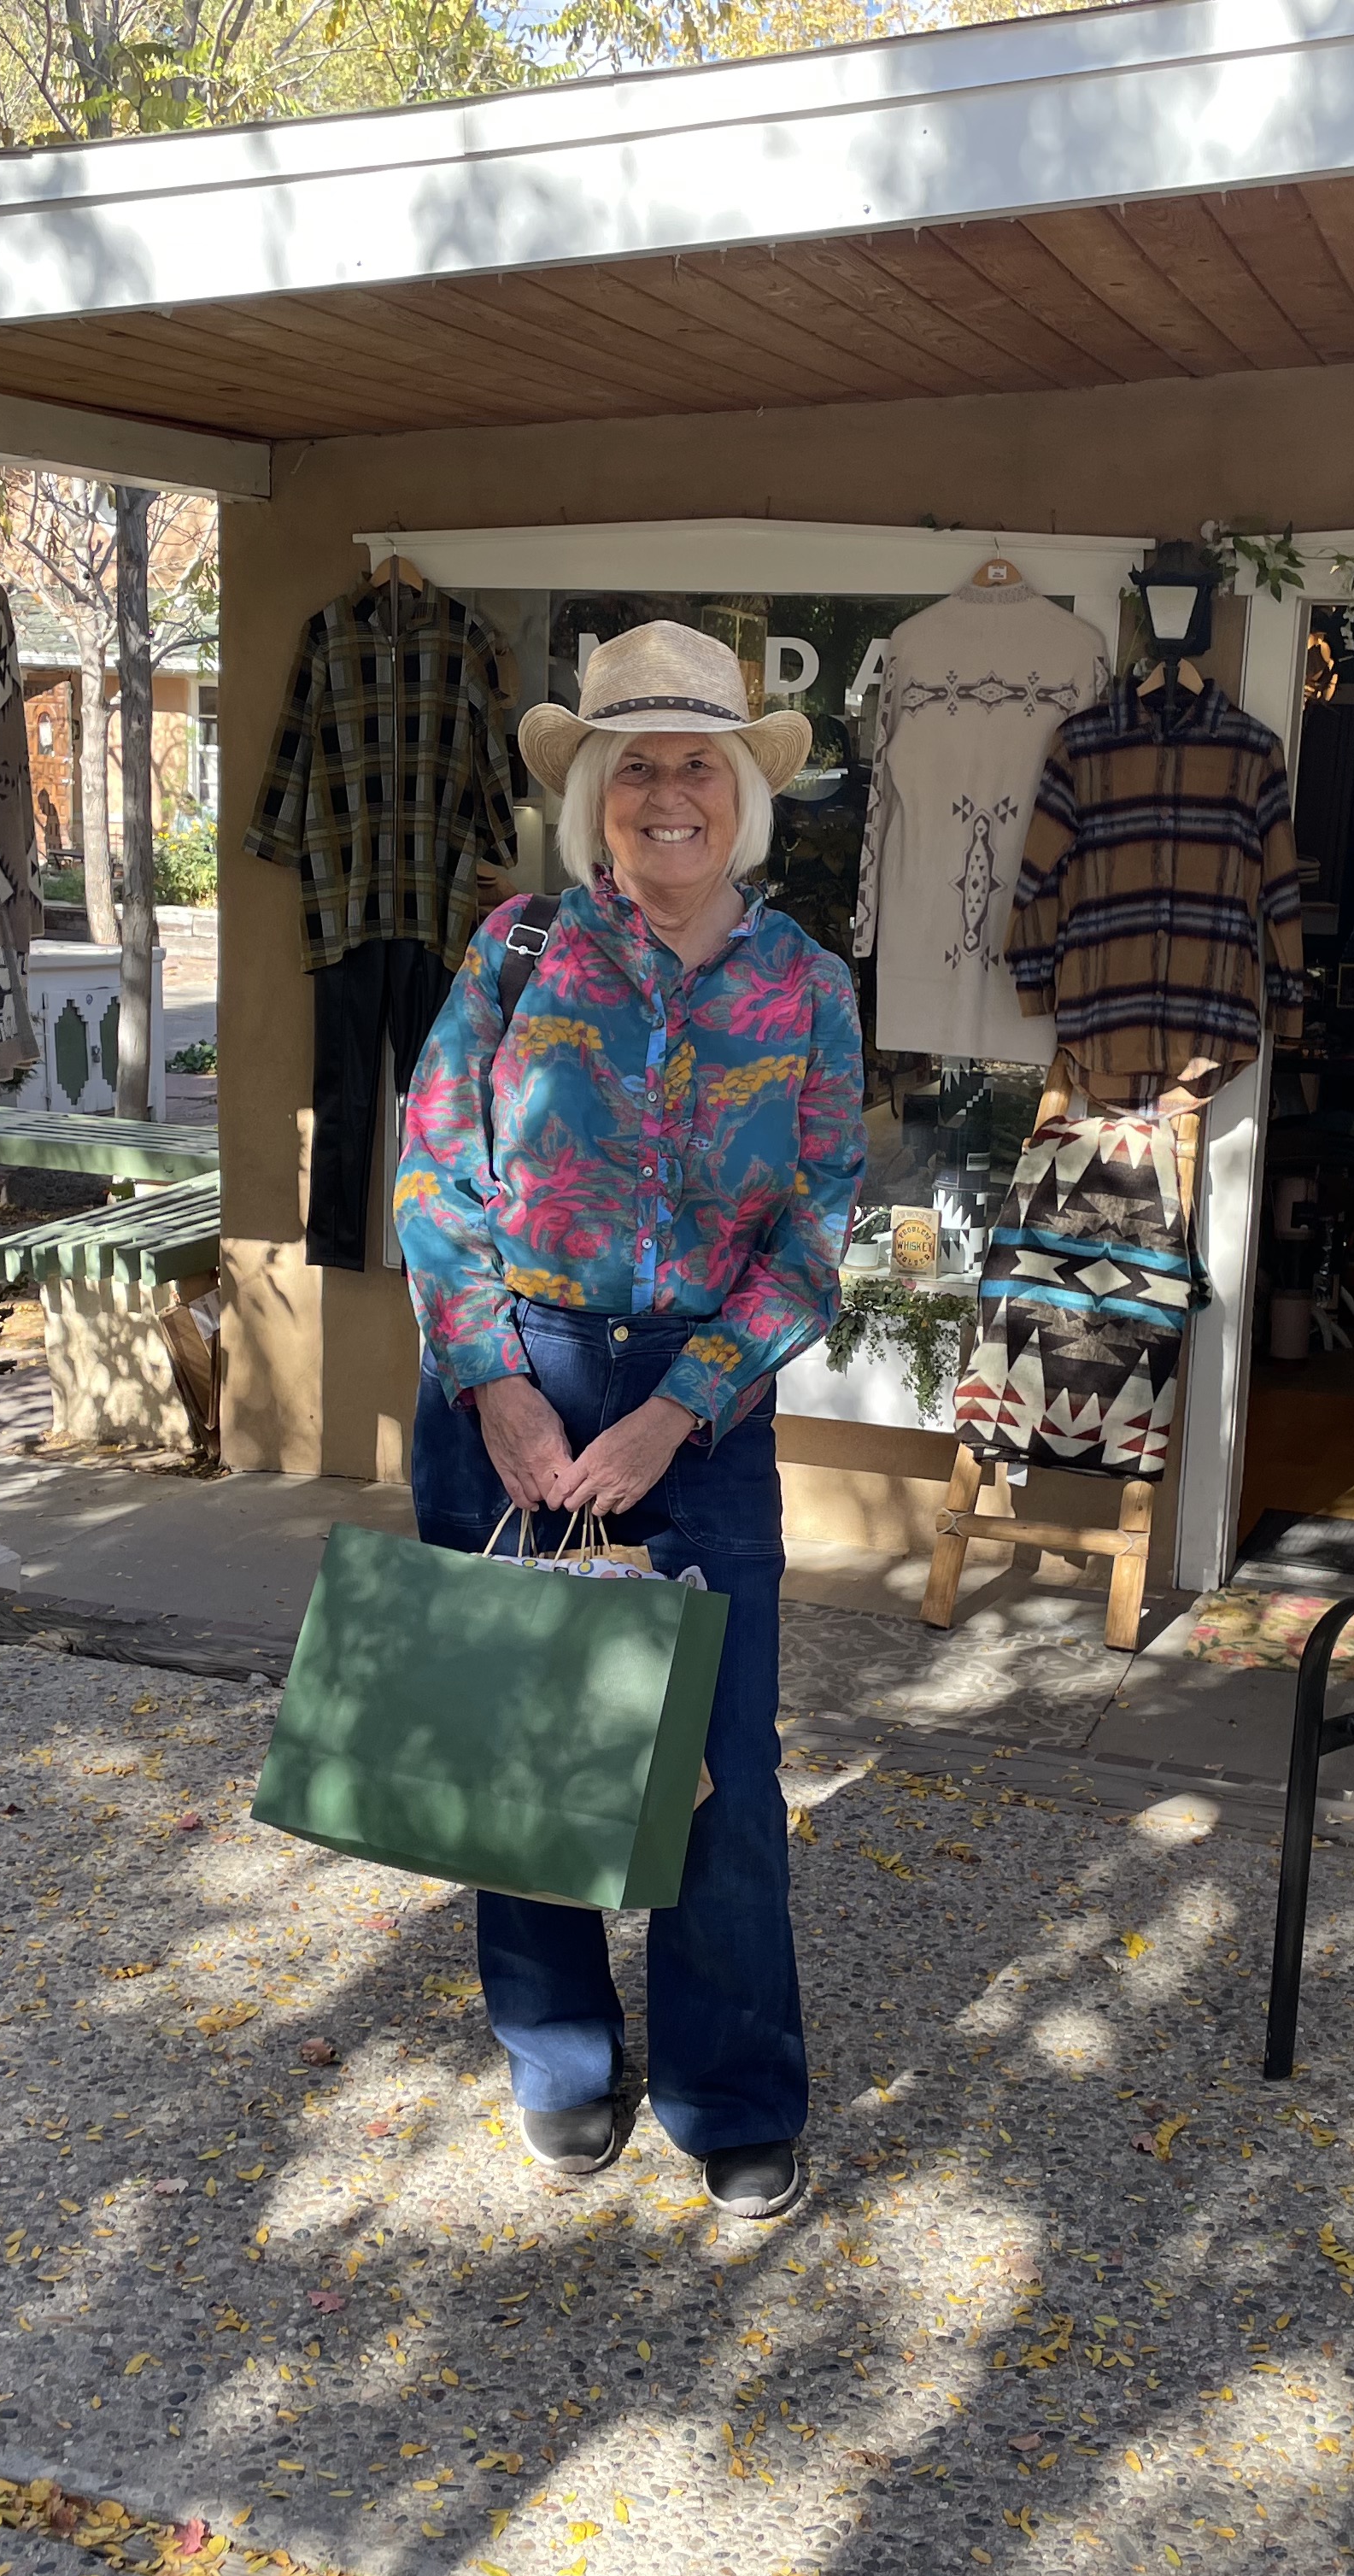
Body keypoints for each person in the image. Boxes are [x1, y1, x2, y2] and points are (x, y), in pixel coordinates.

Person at [394, 621, 865, 2222]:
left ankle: (733, 2091)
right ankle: (559, 2059)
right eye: (637, 765)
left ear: (745, 791)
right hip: (511, 1371)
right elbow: (435, 1169)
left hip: (697, 1404)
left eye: (699, 766)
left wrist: (677, 1415)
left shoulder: (811, 988)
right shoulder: (515, 953)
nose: (670, 794)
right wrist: (493, 1381)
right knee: (523, 1739)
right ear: (594, 790)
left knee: (720, 1765)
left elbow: (814, 1233)